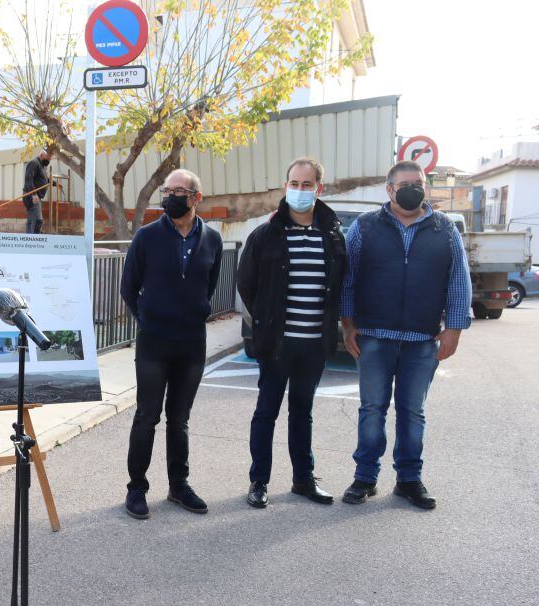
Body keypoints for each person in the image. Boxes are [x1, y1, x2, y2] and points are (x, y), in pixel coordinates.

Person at [339, 159, 471, 510]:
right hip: (375, 337)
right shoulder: (365, 227)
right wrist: (348, 325)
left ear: (426, 187)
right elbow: (348, 279)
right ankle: (365, 478)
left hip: (422, 340)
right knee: (372, 409)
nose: (413, 189)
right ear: (390, 189)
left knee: (412, 412)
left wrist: (454, 330)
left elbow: (459, 281)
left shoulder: (444, 230)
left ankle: (409, 480)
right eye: (405, 184)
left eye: (419, 183)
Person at [237, 158, 346, 509]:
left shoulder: (331, 235)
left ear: (319, 188)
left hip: (313, 345)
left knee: (303, 412)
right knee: (266, 412)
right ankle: (259, 481)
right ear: (286, 187)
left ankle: (303, 479)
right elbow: (246, 283)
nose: (299, 190)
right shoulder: (266, 234)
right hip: (277, 346)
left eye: (306, 184)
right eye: (294, 183)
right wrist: (267, 322)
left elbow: (339, 285)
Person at [120, 169, 223, 520]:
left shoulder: (212, 238)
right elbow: (128, 288)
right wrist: (147, 320)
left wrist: (194, 313)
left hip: (192, 343)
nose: (171, 196)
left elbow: (208, 286)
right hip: (154, 343)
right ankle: (136, 488)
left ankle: (179, 486)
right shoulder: (147, 237)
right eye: (167, 190)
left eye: (179, 191)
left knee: (179, 419)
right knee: (147, 415)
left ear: (196, 197)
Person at [22, 147, 53, 234]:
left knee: (32, 220)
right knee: (37, 220)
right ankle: (35, 241)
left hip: (35, 196)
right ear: (42, 155)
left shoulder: (42, 166)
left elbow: (44, 179)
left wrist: (54, 183)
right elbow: (28, 179)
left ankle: (29, 240)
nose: (49, 160)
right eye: (48, 158)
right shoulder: (34, 163)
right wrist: (34, 195)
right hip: (31, 196)